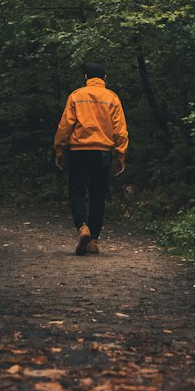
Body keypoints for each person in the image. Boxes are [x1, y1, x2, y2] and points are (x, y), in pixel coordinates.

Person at [54, 63, 128, 256]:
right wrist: (120, 154)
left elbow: (65, 126)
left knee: (77, 191)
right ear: (105, 77)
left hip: (78, 151)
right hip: (102, 152)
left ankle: (82, 228)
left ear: (86, 76)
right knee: (98, 194)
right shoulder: (112, 98)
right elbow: (120, 129)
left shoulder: (76, 96)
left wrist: (60, 150)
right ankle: (93, 240)